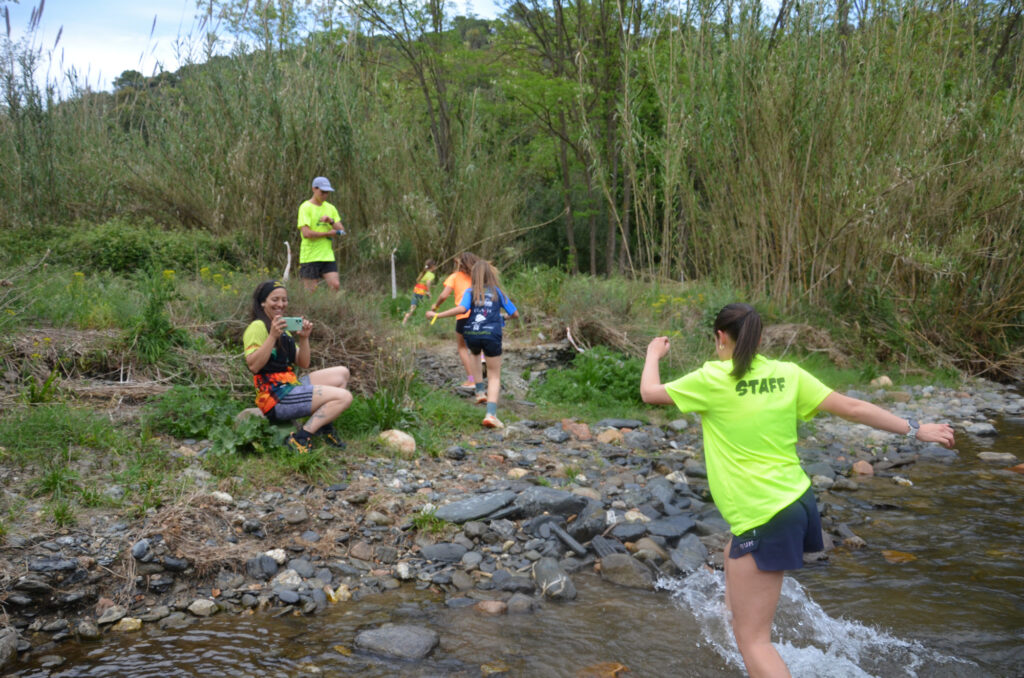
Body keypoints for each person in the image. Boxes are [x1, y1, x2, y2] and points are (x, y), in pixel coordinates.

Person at [640, 303, 955, 678]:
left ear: (720, 337)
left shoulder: (713, 378)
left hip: (764, 515)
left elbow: (649, 392)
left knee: (754, 641)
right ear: (759, 339)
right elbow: (852, 408)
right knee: (732, 552)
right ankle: (731, 619)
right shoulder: (786, 374)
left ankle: (746, 635)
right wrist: (915, 428)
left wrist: (653, 353)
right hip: (797, 502)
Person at [243, 280, 353, 453]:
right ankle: (301, 437)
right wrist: (272, 337)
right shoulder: (258, 327)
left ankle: (323, 427)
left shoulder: (283, 329)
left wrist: (304, 338)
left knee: (342, 373)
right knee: (344, 397)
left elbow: (303, 363)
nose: (280, 304)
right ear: (263, 302)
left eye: (284, 300)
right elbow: (254, 366)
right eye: (275, 299)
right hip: (276, 397)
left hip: (290, 386)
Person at [427, 260, 519, 429]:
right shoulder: (497, 292)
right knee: (494, 375)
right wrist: (503, 317)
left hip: (472, 333)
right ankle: (491, 415)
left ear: (474, 275)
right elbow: (515, 314)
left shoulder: (470, 291)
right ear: (490, 275)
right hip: (491, 334)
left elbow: (462, 309)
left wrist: (437, 315)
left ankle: (479, 391)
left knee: (475, 354)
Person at [428, 252, 480, 389]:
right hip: (481, 315)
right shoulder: (478, 277)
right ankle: (484, 367)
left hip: (463, 316)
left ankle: (471, 380)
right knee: (479, 344)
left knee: (462, 347)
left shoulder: (454, 276)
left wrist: (436, 306)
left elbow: (444, 295)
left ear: (459, 264)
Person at [296, 176, 345, 292]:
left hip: (327, 255)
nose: (325, 195)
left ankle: (333, 304)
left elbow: (342, 230)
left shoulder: (331, 208)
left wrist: (331, 221)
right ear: (314, 189)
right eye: (322, 192)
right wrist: (327, 234)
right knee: (310, 291)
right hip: (310, 256)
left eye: (327, 192)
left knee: (335, 285)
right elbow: (306, 233)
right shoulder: (305, 207)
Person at [401, 259, 437, 325]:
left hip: (416, 292)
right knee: (428, 307)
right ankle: (428, 323)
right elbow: (428, 282)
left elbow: (420, 282)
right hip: (422, 293)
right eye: (435, 265)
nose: (436, 266)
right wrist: (429, 292)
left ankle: (404, 322)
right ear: (432, 266)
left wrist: (431, 286)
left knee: (412, 308)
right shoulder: (431, 275)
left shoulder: (423, 273)